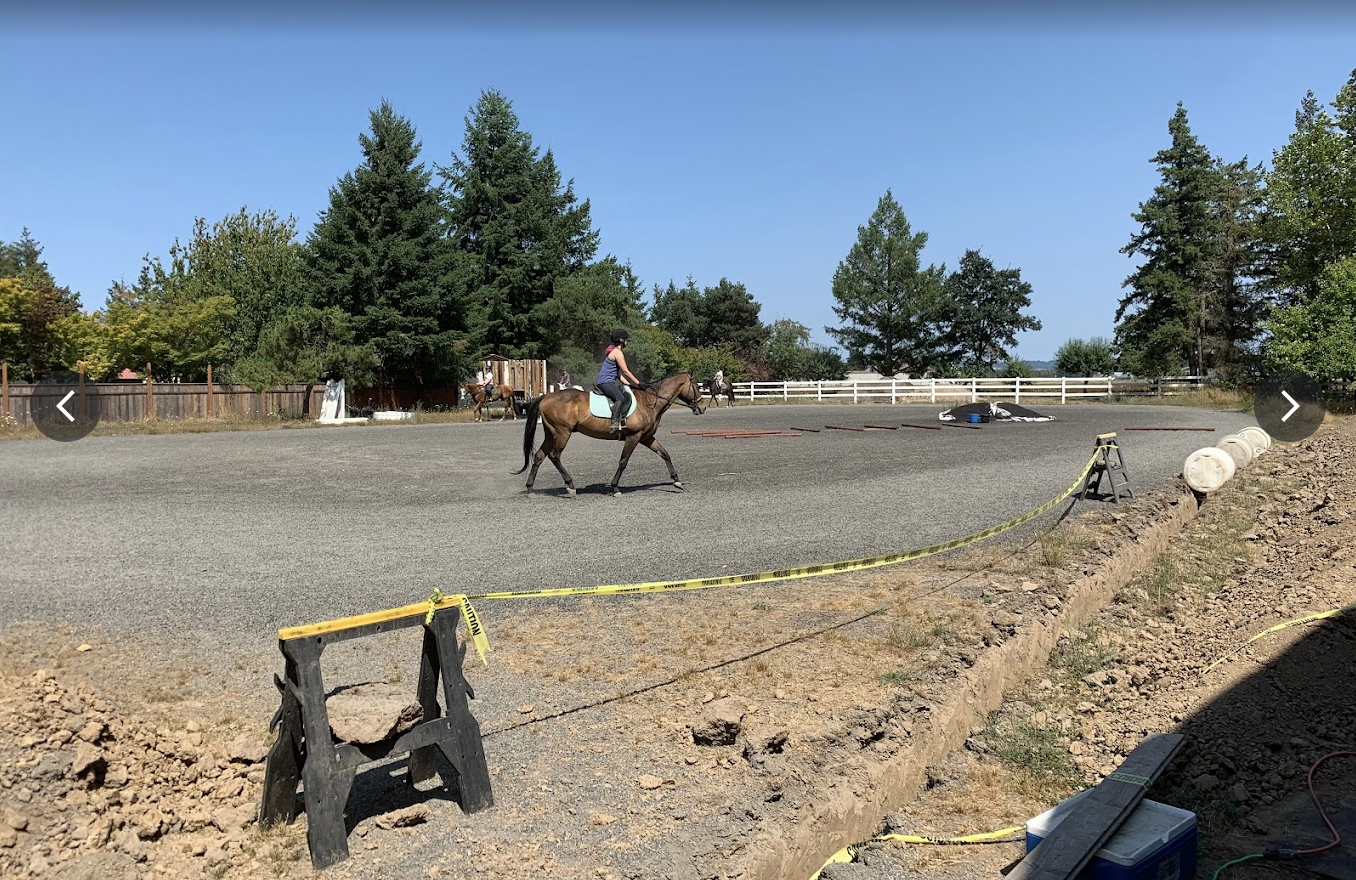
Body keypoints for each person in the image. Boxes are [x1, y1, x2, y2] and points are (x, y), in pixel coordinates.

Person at [596, 328, 640, 434]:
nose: (627, 341)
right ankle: (614, 423)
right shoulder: (617, 352)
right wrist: (639, 383)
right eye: (626, 339)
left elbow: (618, 374)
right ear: (621, 340)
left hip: (608, 381)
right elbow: (625, 371)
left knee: (624, 392)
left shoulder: (615, 352)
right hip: (605, 381)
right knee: (620, 397)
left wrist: (628, 384)